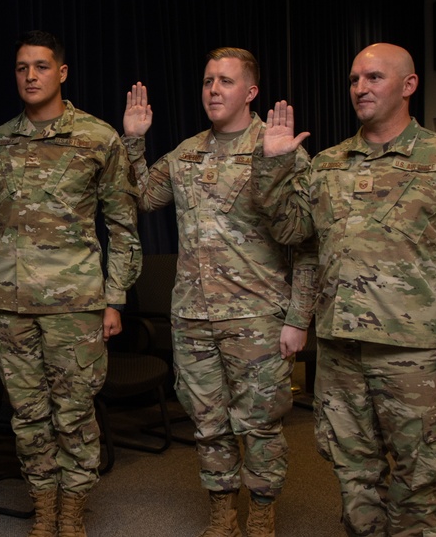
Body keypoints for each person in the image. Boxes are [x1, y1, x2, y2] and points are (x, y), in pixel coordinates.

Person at [254, 43, 436, 536]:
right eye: (353, 80)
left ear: (408, 85)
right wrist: (273, 168)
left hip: (414, 352)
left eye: (373, 78)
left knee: (419, 475)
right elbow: (293, 235)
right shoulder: (327, 163)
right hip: (342, 351)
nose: (360, 88)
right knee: (353, 473)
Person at [0, 30, 142, 537]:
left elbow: (123, 227)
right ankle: (44, 508)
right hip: (11, 304)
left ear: (62, 72)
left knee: (74, 414)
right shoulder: (1, 140)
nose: (30, 76)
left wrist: (115, 298)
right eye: (21, 68)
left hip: (76, 304)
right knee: (28, 415)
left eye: (41, 66)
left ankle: (72, 512)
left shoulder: (98, 139)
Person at [121, 48, 313, 537]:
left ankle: (263, 512)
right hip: (192, 316)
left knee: (261, 424)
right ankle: (223, 511)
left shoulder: (280, 148)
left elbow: (307, 244)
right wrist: (135, 142)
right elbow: (141, 196)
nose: (213, 90)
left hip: (258, 318)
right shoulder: (186, 153)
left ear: (250, 92)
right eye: (208, 81)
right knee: (207, 424)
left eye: (225, 82)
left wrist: (298, 319)